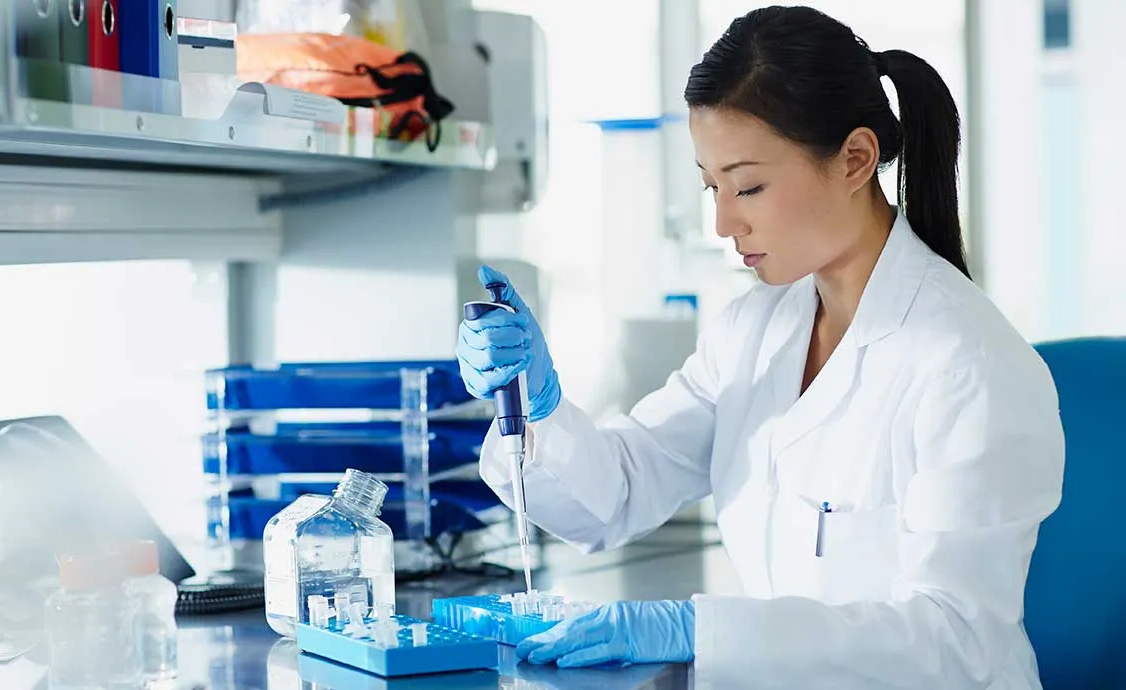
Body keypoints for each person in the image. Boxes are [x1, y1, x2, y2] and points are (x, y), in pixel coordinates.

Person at [454, 5, 1065, 689]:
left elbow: (955, 642)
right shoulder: (753, 331)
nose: (722, 220)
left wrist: (697, 630)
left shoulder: (968, 366)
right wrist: (539, 405)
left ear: (856, 159)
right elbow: (618, 493)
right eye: (711, 185)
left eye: (748, 185)